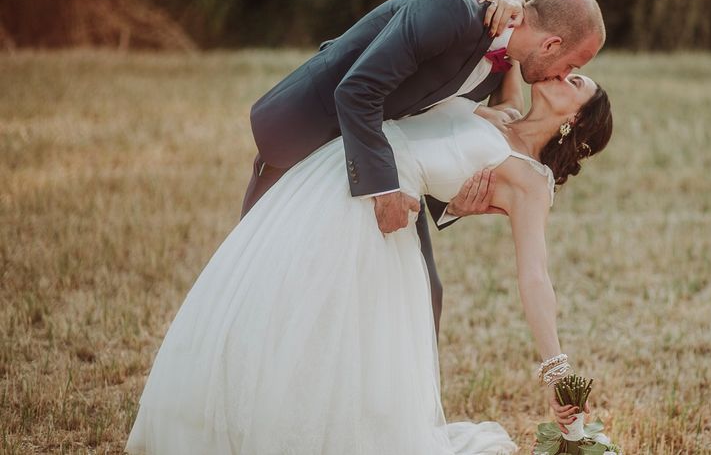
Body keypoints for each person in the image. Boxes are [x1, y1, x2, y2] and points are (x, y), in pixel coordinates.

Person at [125, 65, 613, 454]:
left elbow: (534, 276)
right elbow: (516, 45)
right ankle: (231, 421)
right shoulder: (503, 114)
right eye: (569, 65)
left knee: (318, 326)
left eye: (577, 82)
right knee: (274, 305)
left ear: (576, 121)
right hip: (341, 171)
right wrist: (508, 7)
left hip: (371, 216)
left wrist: (555, 370)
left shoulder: (531, 183)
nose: (565, 72)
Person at [243, 0, 606, 336]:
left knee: (425, 298)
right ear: (552, 43)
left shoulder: (505, 61)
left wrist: (456, 199)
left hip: (385, 165)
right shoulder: (450, 11)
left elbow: (448, 128)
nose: (565, 75)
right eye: (572, 65)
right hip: (311, 136)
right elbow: (358, 90)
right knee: (265, 287)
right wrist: (384, 190)